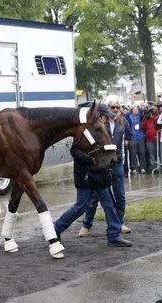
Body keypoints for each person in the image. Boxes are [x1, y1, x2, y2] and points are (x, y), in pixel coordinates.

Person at [54, 110, 132, 247]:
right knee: (81, 206)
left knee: (109, 204)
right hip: (86, 175)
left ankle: (113, 235)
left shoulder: (102, 128)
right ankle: (56, 228)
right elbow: (74, 151)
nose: (106, 118)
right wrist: (88, 158)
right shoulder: (84, 130)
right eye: (104, 116)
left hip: (101, 174)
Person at [79, 95, 132, 237]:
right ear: (107, 108)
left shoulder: (123, 122)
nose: (115, 110)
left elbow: (129, 136)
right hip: (102, 164)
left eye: (118, 107)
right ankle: (86, 224)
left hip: (117, 162)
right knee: (95, 197)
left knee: (120, 196)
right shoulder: (100, 123)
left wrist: (124, 147)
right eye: (112, 107)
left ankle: (119, 223)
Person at [126, 104, 147, 174]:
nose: (135, 110)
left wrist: (140, 105)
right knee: (133, 153)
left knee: (142, 152)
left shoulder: (141, 116)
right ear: (132, 110)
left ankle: (143, 167)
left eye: (137, 109)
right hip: (132, 137)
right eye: (134, 109)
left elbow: (143, 110)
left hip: (140, 136)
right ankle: (134, 168)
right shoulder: (128, 116)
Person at [141, 105, 160, 171]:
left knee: (158, 153)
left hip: (157, 138)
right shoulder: (144, 119)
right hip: (149, 139)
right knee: (151, 153)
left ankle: (159, 167)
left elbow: (158, 127)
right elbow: (142, 127)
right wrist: (144, 118)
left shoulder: (154, 118)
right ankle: (153, 167)